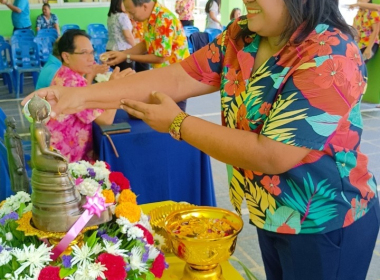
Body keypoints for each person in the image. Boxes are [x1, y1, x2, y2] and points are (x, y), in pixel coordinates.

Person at [23, 0, 380, 279]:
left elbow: (272, 155)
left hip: (327, 222)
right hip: (272, 213)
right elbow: (178, 78)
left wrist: (178, 123)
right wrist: (79, 97)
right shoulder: (244, 35)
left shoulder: (330, 54)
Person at [45, 29, 131, 163]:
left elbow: (88, 97)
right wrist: (115, 87)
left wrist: (93, 76)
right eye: (84, 53)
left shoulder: (66, 74)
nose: (91, 58)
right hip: (66, 161)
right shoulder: (72, 81)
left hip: (54, 152)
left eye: (92, 52)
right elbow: (106, 120)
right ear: (66, 57)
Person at [106, 0, 190, 111]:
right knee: (162, 115)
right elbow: (146, 43)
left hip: (177, 78)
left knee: (174, 117)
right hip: (164, 76)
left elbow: (160, 57)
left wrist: (127, 57)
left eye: (132, 13)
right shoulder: (150, 18)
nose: (130, 17)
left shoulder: (164, 19)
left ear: (144, 6)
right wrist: (122, 54)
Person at [106, 0, 135, 71]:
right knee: (127, 76)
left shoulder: (110, 16)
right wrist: (136, 47)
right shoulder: (122, 16)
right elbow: (128, 36)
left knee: (115, 74)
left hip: (110, 49)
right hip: (122, 51)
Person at [4, 117, 29, 194]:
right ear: (10, 124)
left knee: (24, 185)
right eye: (14, 122)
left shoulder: (13, 134)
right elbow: (13, 151)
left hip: (19, 161)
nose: (15, 124)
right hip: (17, 165)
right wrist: (19, 166)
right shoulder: (10, 136)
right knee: (21, 186)